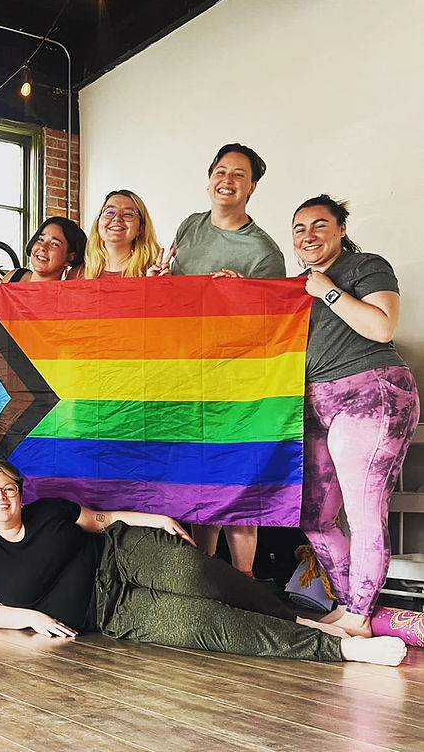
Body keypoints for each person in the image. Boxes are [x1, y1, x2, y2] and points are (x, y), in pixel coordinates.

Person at [0, 459, 406, 666]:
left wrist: (155, 519)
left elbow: (103, 520)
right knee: (201, 623)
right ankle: (340, 648)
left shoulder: (48, 509)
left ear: (19, 492)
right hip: (110, 612)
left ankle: (307, 622)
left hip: (121, 555)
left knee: (197, 573)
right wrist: (29, 617)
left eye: (7, 488)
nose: (1, 498)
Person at [293, 195, 419, 638]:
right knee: (313, 516)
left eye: (320, 225)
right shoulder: (298, 283)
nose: (309, 235)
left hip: (372, 392)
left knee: (365, 512)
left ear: (341, 230)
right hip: (316, 405)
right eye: (300, 228)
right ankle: (351, 606)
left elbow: (383, 327)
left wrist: (327, 290)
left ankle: (359, 617)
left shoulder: (365, 266)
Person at [158, 143, 287, 573]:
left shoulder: (264, 252)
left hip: (237, 379)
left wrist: (242, 296)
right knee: (199, 477)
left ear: (252, 187)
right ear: (209, 177)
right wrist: (159, 282)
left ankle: (246, 579)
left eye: (238, 175)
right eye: (221, 171)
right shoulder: (189, 227)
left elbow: (272, 324)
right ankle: (206, 574)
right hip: (188, 373)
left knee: (238, 477)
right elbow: (175, 298)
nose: (226, 180)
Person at [81, 191, 163, 279]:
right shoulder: (78, 274)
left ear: (141, 228)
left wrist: (157, 285)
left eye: (128, 214)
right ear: (98, 223)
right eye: (109, 212)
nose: (117, 218)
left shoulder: (155, 273)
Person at [2, 217, 87, 282]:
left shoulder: (65, 297)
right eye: (40, 239)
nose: (42, 247)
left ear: (70, 257)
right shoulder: (14, 276)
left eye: (54, 244)